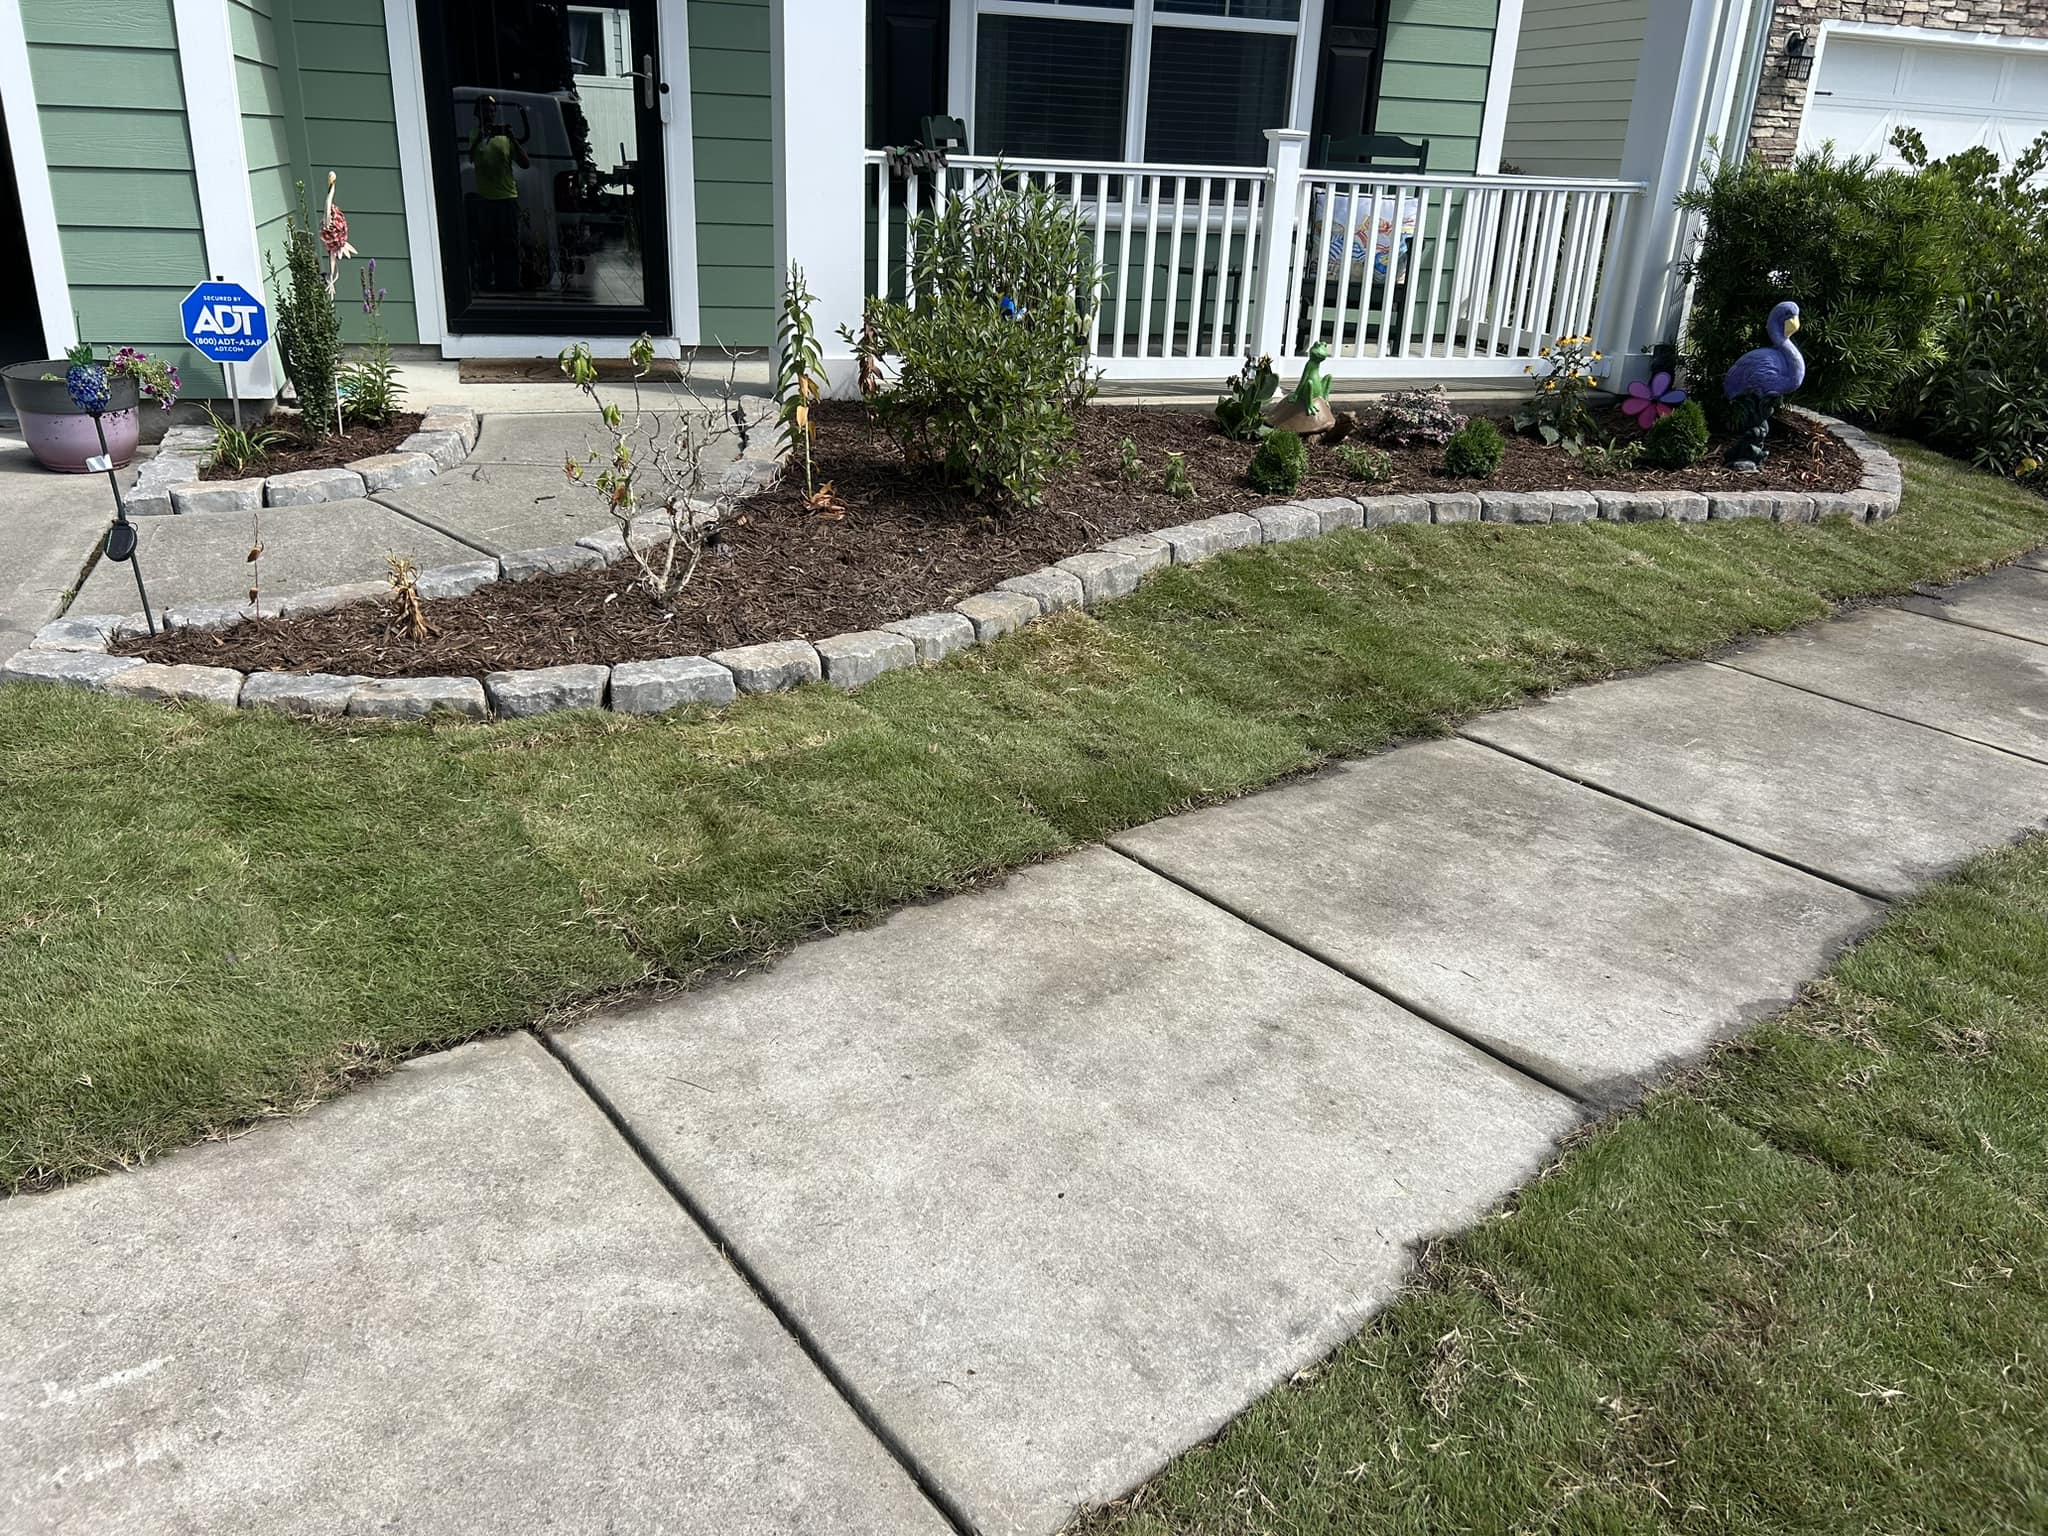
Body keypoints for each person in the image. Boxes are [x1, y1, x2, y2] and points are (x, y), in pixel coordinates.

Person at [469, 94, 530, 294]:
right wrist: (483, 135)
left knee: (509, 244)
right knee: (486, 244)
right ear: (478, 113)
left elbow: (524, 163)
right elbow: (472, 157)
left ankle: (510, 283)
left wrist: (511, 137)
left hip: (507, 198)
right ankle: (486, 282)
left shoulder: (505, 138)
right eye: (486, 111)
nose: (490, 114)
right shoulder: (474, 135)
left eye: (493, 111)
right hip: (485, 199)